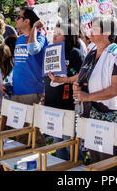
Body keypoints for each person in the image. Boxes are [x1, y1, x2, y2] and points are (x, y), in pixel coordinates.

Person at [71, 16, 117, 164]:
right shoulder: (91, 51)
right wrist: (77, 86)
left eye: (95, 28)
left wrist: (87, 96)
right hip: (91, 116)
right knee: (95, 160)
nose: (90, 31)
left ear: (106, 32)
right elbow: (83, 77)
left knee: (107, 164)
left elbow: (116, 89)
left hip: (112, 118)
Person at [45, 22, 84, 160]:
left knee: (70, 142)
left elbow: (82, 76)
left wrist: (64, 80)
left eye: (58, 33)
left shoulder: (75, 53)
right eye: (54, 33)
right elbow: (47, 77)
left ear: (67, 36)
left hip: (69, 105)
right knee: (57, 142)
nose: (54, 36)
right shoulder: (50, 52)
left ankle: (78, 167)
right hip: (53, 103)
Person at [10, 7, 48, 146]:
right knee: (20, 132)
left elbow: (32, 49)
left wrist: (35, 27)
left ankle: (39, 163)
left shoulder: (40, 37)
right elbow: (18, 64)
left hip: (32, 91)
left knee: (33, 133)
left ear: (27, 21)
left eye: (18, 17)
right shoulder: (19, 39)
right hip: (17, 90)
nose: (15, 19)